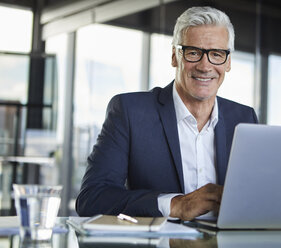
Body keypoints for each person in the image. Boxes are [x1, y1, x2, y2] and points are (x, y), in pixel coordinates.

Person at [76, 6, 258, 221]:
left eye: (216, 54)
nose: (205, 65)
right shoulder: (130, 111)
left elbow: (258, 196)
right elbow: (92, 198)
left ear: (228, 62)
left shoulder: (244, 118)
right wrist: (175, 204)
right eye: (193, 52)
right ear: (175, 56)